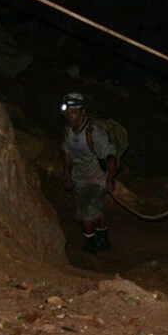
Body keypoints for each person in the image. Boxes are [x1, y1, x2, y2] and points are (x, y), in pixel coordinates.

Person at [60, 92, 118, 253]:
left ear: (83, 112)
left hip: (95, 178)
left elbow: (111, 156)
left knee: (85, 211)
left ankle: (90, 244)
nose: (69, 116)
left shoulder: (94, 134)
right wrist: (66, 173)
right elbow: (67, 152)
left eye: (73, 112)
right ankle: (104, 238)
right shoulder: (69, 132)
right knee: (95, 209)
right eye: (67, 112)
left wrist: (110, 179)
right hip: (79, 178)